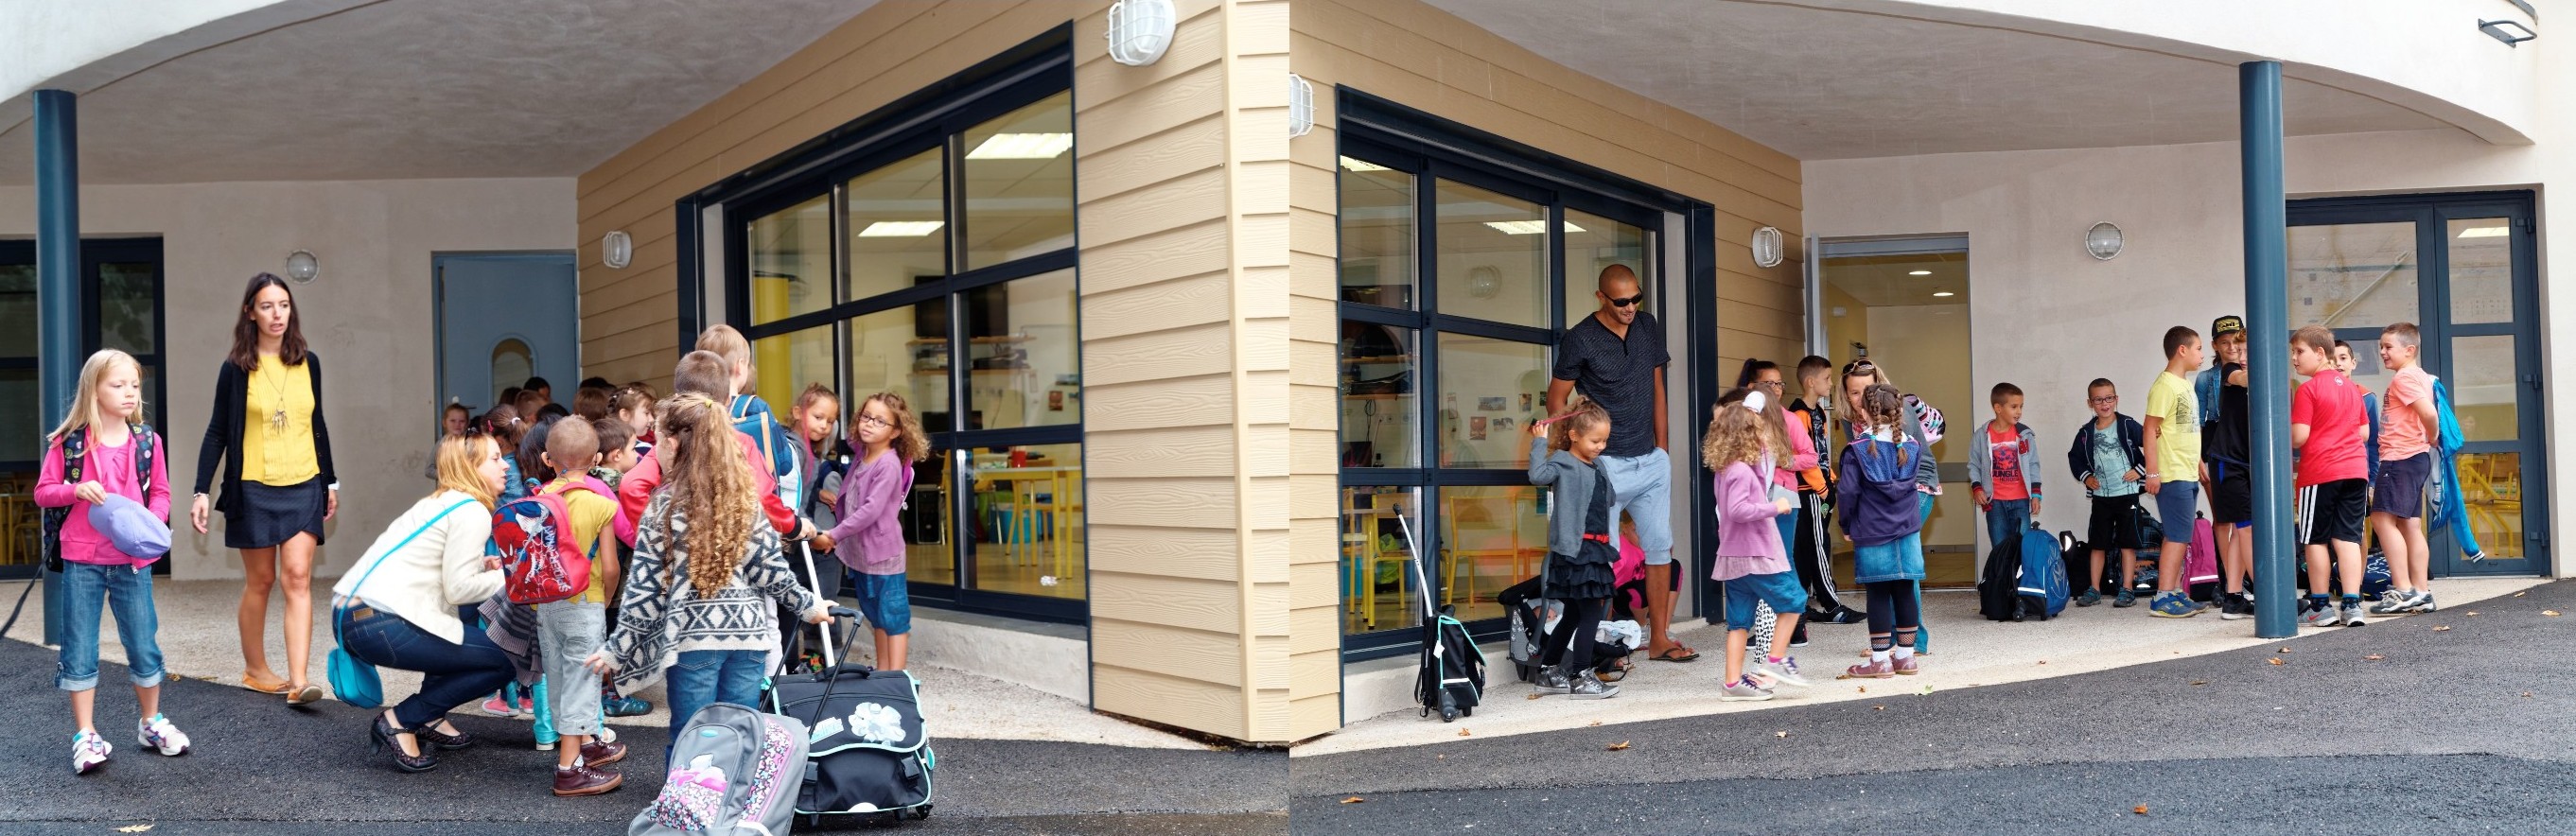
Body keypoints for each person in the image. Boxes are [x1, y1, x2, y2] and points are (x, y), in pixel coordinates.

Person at [588, 392, 832, 742]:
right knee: (739, 734)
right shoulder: (745, 500)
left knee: (691, 734)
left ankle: (686, 796)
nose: (653, 450)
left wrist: (617, 649)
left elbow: (645, 590)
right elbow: (770, 571)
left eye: (656, 441)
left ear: (672, 444)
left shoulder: (663, 508)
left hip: (693, 642)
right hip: (749, 640)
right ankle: (736, 795)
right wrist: (810, 607)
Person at [190, 272, 339, 705]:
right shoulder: (236, 369)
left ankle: (298, 680)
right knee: (261, 580)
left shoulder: (308, 362)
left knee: (298, 577)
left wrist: (330, 480)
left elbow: (318, 425)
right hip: (253, 486)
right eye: (268, 306)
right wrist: (201, 489)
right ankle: (256, 669)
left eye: (284, 305)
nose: (277, 314)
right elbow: (217, 431)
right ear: (249, 312)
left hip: (304, 482)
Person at [38, 350, 188, 775]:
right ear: (94, 389)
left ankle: (151, 723)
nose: (128, 393)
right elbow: (44, 492)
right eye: (117, 385)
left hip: (132, 562)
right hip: (82, 558)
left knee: (143, 642)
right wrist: (75, 490)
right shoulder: (68, 443)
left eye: (134, 385)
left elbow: (160, 491)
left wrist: (149, 522)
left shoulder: (147, 441)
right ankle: (85, 734)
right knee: (80, 646)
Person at [332, 432, 514, 773]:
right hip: (380, 622)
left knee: (455, 636)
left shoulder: (438, 501)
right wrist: (509, 577)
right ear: (471, 466)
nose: (505, 465)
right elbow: (459, 590)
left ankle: (429, 716)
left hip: (353, 616)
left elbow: (436, 575)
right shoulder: (473, 510)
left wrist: (480, 569)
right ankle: (402, 719)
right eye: (495, 458)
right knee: (505, 659)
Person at [1547, 265, 1688, 663]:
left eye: (1635, 298)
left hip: (1650, 460)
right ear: (1601, 298)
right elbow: (1556, 400)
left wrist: (1663, 447)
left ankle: (1658, 639)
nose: (1630, 307)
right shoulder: (1580, 339)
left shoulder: (1647, 326)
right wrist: (1575, 455)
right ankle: (1600, 646)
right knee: (1600, 555)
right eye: (1621, 301)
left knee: (1660, 547)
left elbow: (1657, 387)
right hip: (1604, 464)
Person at [614, 353, 810, 549]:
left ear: (677, 397)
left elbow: (631, 486)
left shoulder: (667, 443)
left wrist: (656, 538)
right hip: (726, 554)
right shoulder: (740, 443)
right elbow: (761, 497)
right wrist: (793, 525)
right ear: (726, 401)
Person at [527, 418, 628, 795]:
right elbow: (611, 565)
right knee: (583, 683)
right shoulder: (601, 504)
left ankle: (585, 743)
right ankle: (570, 769)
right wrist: (605, 600)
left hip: (547, 606)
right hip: (585, 603)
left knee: (559, 677)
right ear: (598, 458)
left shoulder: (537, 500)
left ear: (547, 459)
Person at [1704, 391, 1808, 702]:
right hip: (1754, 553)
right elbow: (1739, 511)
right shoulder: (1739, 471)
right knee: (1795, 600)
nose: (1764, 433)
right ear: (1748, 436)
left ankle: (1733, 683)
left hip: (1734, 556)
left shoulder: (1727, 469)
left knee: (1738, 621)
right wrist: (1773, 508)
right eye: (1759, 430)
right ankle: (1776, 661)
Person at [821, 392, 930, 671]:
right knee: (876, 617)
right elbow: (853, 497)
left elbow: (870, 511)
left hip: (884, 558)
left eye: (880, 421)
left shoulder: (888, 464)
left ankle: (897, 681)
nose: (869, 424)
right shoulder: (863, 456)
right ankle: (883, 673)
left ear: (896, 431)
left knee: (894, 619)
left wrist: (834, 534)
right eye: (866, 417)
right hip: (861, 556)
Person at [1837, 358, 1938, 651]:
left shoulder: (1898, 408)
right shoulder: (1850, 419)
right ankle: (1892, 639)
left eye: (1866, 390)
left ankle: (1914, 641)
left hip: (1915, 487)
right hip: (1879, 496)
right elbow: (1861, 467)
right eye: (1854, 392)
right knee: (1892, 567)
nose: (1860, 399)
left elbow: (1918, 458)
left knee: (1903, 565)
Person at [1523, 399, 1621, 699]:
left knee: (1575, 616)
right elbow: (1537, 476)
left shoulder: (1599, 464)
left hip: (1595, 548)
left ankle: (1550, 671)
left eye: (1604, 440)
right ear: (1575, 435)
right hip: (1576, 551)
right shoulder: (1564, 461)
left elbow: (1611, 499)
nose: (1601, 446)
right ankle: (1581, 676)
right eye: (1595, 440)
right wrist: (1540, 443)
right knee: (1591, 613)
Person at [2290, 325, 2372, 627]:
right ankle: (2352, 605)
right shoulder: (2353, 388)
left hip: (2321, 473)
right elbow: (2364, 432)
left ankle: (2321, 606)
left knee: (2315, 539)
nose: (2295, 359)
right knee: (2348, 538)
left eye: (2299, 352)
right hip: (2355, 471)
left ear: (2320, 353)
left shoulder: (2308, 389)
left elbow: (2299, 436)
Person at [1736, 360, 1818, 648]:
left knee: (1781, 559)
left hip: (1782, 495)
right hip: (1750, 497)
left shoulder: (1788, 419)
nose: (1776, 389)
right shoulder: (1741, 418)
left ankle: (1795, 623)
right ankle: (1764, 626)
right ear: (1751, 388)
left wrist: (1785, 461)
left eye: (1779, 383)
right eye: (1768, 384)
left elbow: (1811, 456)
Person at [696, 324, 807, 520]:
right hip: (752, 514)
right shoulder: (754, 408)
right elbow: (784, 463)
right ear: (740, 366)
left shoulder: (694, 410)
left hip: (706, 513)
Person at [2369, 322, 2440, 616]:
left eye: (2389, 347)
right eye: (2381, 346)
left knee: (2381, 519)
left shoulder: (2404, 379)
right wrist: (2428, 439)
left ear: (2409, 350)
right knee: (2410, 525)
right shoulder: (2422, 376)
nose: (2383, 352)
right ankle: (2421, 592)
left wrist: (2432, 435)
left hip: (2400, 458)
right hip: (2414, 458)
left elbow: (2428, 413)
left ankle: (2403, 589)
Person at [1784, 356, 1860, 624]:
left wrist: (1831, 478)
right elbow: (1802, 456)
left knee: (1808, 548)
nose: (1831, 383)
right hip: (1809, 491)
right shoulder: (1798, 415)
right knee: (1818, 545)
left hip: (1823, 487)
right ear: (1810, 381)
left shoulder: (1818, 412)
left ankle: (1801, 605)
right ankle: (1832, 605)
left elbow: (1822, 453)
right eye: (1827, 379)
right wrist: (1821, 487)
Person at [588, 417, 653, 719]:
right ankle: (610, 698)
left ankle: (604, 695)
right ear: (616, 456)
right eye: (631, 448)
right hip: (610, 585)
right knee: (609, 640)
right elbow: (629, 534)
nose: (637, 455)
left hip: (591, 581)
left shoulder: (587, 482)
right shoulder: (611, 490)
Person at [2141, 325, 2207, 618]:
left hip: (2187, 470)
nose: (2202, 355)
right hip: (2172, 473)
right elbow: (2150, 428)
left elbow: (2185, 431)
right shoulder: (2165, 385)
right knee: (2178, 535)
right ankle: (2163, 597)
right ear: (2182, 350)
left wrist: (2198, 461)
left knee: (2180, 534)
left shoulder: (2184, 385)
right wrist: (2152, 472)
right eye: (2199, 349)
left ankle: (2175, 591)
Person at [2066, 378, 2147, 608]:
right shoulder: (2085, 432)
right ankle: (2094, 589)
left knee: (2127, 544)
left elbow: (2152, 442)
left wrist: (2139, 471)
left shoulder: (2127, 425)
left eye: (2109, 398)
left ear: (2116, 399)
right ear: (2090, 403)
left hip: (2127, 495)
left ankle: (2127, 589)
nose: (2105, 403)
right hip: (2102, 497)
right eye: (2099, 399)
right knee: (2098, 543)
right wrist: (2086, 477)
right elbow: (2075, 458)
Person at [2200, 317, 2255, 619]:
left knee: (2241, 528)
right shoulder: (2231, 370)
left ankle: (2234, 597)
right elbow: (2244, 379)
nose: (2239, 354)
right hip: (2227, 463)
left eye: (2246, 349)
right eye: (2237, 348)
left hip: (2248, 463)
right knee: (2248, 529)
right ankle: (2266, 593)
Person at [1968, 382, 2042, 560]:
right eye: (2014, 407)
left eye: (2021, 407)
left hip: (2020, 500)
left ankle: (2018, 587)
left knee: (2022, 548)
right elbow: (1973, 464)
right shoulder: (1982, 435)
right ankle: (2003, 586)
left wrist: (2036, 494)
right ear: (1998, 408)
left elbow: (2033, 464)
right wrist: (1977, 488)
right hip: (1995, 503)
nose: (2019, 411)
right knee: (2000, 549)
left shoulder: (2024, 435)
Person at [610, 385, 657, 459]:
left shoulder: (603, 446)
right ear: (625, 415)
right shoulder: (644, 450)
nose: (652, 419)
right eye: (647, 413)